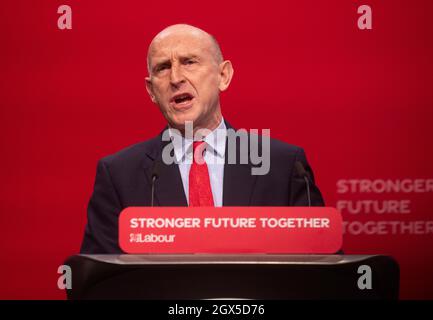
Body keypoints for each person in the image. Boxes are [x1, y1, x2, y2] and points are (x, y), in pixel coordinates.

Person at [80, 24, 324, 254]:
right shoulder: (119, 175)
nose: (176, 78)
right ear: (151, 90)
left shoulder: (283, 165)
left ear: (223, 75)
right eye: (163, 68)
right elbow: (97, 281)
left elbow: (322, 273)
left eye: (189, 62)